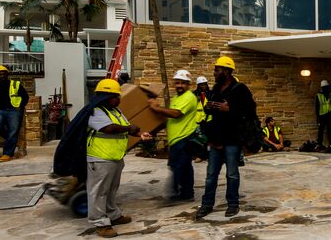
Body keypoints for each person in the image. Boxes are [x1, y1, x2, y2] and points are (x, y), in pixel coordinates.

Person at [86, 78, 153, 238]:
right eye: (116, 96)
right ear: (105, 96)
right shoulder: (95, 111)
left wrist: (139, 134)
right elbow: (108, 128)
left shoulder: (115, 111)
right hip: (100, 158)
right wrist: (129, 128)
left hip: (115, 157)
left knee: (111, 190)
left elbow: (125, 128)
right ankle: (100, 223)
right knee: (99, 192)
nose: (119, 99)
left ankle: (113, 215)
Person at [196, 56, 257, 220]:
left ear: (227, 71)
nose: (214, 72)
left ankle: (233, 204)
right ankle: (207, 204)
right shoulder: (216, 88)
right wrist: (211, 107)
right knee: (210, 175)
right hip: (216, 139)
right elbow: (212, 109)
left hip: (232, 140)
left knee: (232, 174)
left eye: (217, 69)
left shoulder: (240, 89)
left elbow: (250, 111)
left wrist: (229, 109)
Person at [149, 70, 200, 202]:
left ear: (189, 84)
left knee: (178, 166)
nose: (179, 85)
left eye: (183, 83)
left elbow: (176, 114)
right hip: (177, 139)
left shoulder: (189, 97)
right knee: (184, 166)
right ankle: (186, 193)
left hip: (184, 138)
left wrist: (156, 108)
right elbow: (170, 118)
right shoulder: (177, 98)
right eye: (177, 83)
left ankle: (175, 192)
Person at [0, 65, 29, 162]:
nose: (2, 74)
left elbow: (25, 96)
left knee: (13, 131)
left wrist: (20, 106)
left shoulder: (15, 84)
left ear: (7, 74)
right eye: (0, 73)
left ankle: (7, 154)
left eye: (4, 72)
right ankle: (11, 139)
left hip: (14, 110)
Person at [315, 80, 331, 151]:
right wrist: (317, 117)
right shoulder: (318, 96)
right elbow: (317, 107)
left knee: (330, 131)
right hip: (322, 116)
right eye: (324, 87)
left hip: (330, 115)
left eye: (326, 87)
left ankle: (330, 146)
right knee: (320, 131)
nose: (325, 88)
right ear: (322, 88)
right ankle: (320, 145)